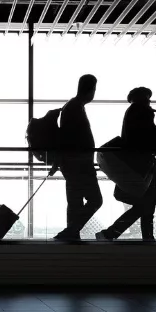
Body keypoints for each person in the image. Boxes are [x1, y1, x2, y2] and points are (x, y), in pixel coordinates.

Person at [96, 87, 156, 242]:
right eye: (147, 97)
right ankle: (111, 233)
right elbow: (144, 140)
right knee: (146, 205)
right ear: (142, 98)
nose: (149, 100)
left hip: (141, 166)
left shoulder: (134, 112)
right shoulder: (140, 112)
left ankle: (144, 237)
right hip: (143, 167)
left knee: (146, 206)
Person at [54, 74, 102, 241]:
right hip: (79, 163)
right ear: (90, 89)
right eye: (94, 89)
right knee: (95, 200)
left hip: (73, 162)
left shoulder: (73, 106)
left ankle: (72, 234)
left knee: (75, 202)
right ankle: (70, 232)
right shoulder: (75, 107)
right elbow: (69, 137)